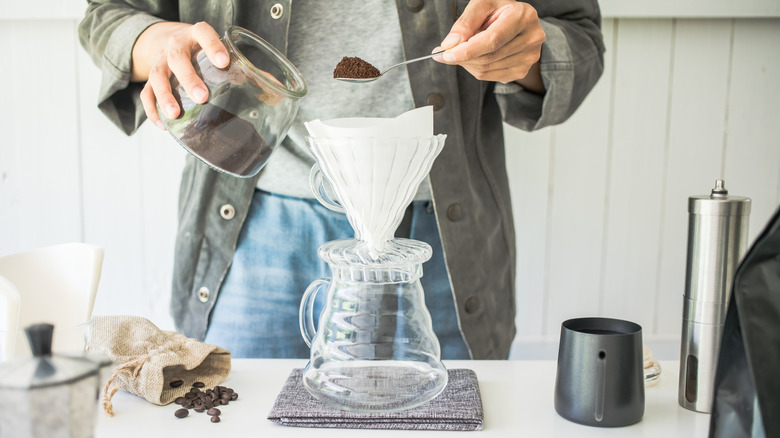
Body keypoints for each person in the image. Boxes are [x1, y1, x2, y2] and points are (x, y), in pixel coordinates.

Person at [79, 0, 604, 360]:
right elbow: (108, 15)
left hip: (440, 240)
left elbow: (575, 33)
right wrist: (154, 42)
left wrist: (527, 52)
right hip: (253, 233)